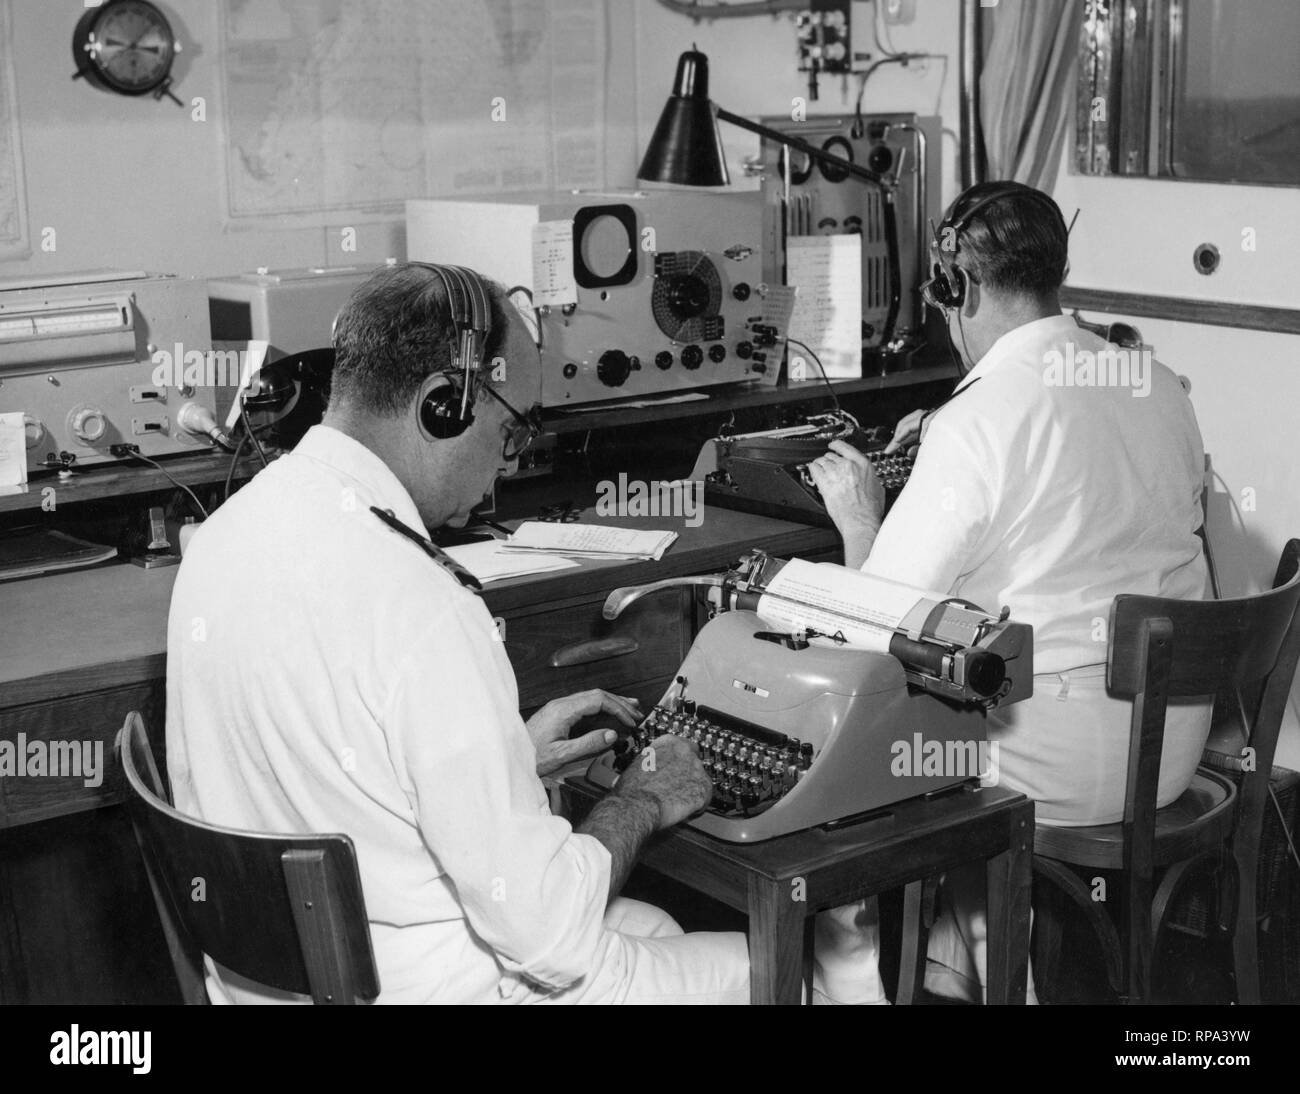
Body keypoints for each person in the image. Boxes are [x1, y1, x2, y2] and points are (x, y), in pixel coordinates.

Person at [165, 262, 750, 1003]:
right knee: (786, 963)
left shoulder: (221, 537)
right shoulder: (424, 602)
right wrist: (642, 799)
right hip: (425, 989)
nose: (509, 465)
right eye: (513, 430)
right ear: (445, 405)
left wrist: (499, 762)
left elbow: (323, 773)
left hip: (270, 984)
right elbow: (553, 941)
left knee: (656, 930)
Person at [807, 181, 1212, 1002]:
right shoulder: (1156, 382)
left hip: (1053, 763)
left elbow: (877, 619)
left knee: (835, 748)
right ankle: (964, 977)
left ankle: (851, 985)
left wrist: (861, 524)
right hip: (1170, 745)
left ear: (957, 288)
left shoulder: (978, 422)